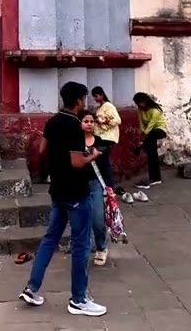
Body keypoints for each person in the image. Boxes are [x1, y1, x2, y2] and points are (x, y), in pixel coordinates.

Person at [19, 82, 107, 317]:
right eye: (84, 99)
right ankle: (78, 299)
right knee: (80, 245)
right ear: (78, 100)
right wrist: (93, 156)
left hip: (57, 189)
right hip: (76, 191)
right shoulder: (74, 127)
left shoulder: (53, 121)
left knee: (50, 239)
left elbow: (41, 149)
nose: (85, 103)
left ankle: (32, 287)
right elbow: (77, 162)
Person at [80, 110, 110, 266]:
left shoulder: (100, 142)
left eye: (92, 121)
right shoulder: (75, 143)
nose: (89, 124)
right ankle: (83, 249)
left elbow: (105, 167)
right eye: (86, 121)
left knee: (98, 219)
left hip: (95, 184)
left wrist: (109, 186)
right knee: (81, 221)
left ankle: (101, 247)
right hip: (78, 185)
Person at [133, 93, 167, 189]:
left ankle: (156, 178)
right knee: (151, 153)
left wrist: (143, 139)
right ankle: (154, 178)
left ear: (145, 101)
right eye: (138, 103)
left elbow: (151, 125)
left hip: (159, 130)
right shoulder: (141, 110)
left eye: (140, 102)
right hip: (149, 134)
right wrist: (142, 136)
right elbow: (142, 124)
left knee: (150, 148)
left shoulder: (155, 111)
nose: (140, 105)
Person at [90, 87, 121, 191]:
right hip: (101, 137)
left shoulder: (109, 106)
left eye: (96, 96)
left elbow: (117, 120)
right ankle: (106, 187)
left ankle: (109, 187)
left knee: (103, 162)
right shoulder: (100, 108)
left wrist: (102, 120)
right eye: (93, 96)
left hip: (107, 138)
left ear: (102, 95)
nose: (95, 98)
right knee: (101, 162)